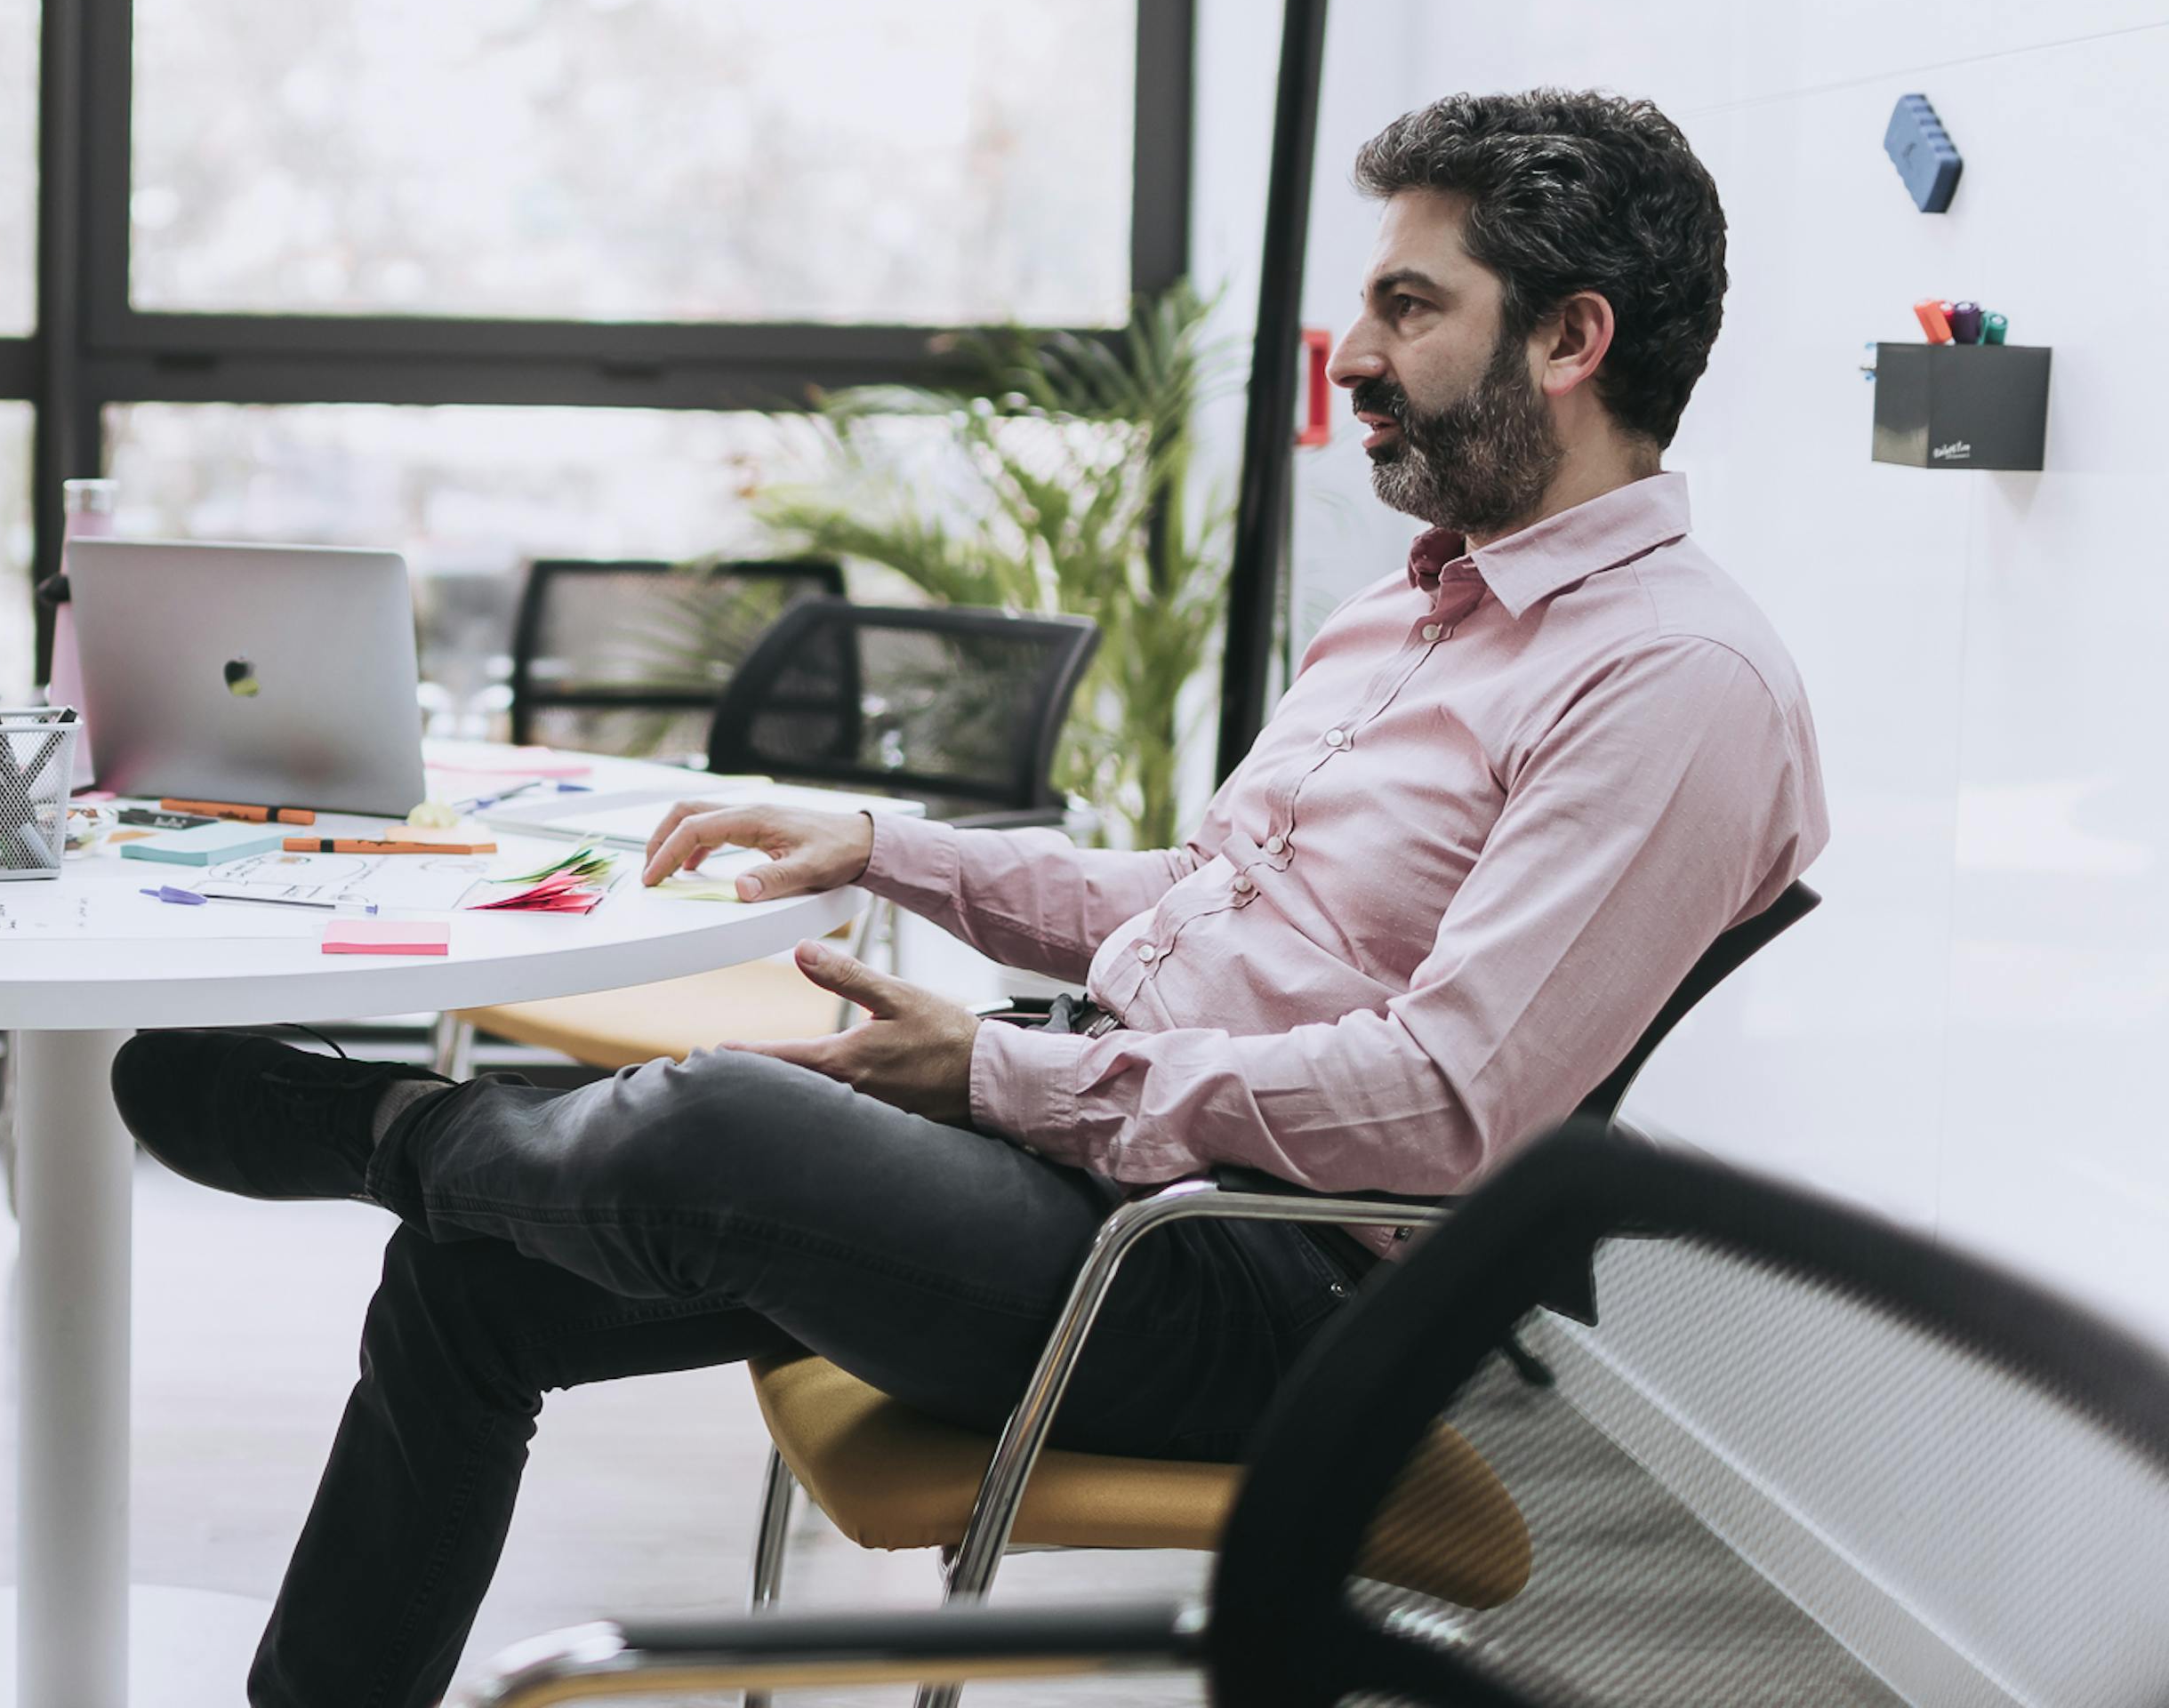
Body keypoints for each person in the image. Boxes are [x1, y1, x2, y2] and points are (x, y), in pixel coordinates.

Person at [110, 87, 1831, 1708]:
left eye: (1408, 306)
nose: (1358, 357)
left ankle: (393, 1126)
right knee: (466, 1282)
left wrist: (1007, 1078)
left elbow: (1445, 1106)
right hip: (1111, 1169)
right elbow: (1204, 899)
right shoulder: (1413, 613)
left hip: (1257, 1284)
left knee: (716, 1127)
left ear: (1570, 336)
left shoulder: (1674, 684)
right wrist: (878, 846)